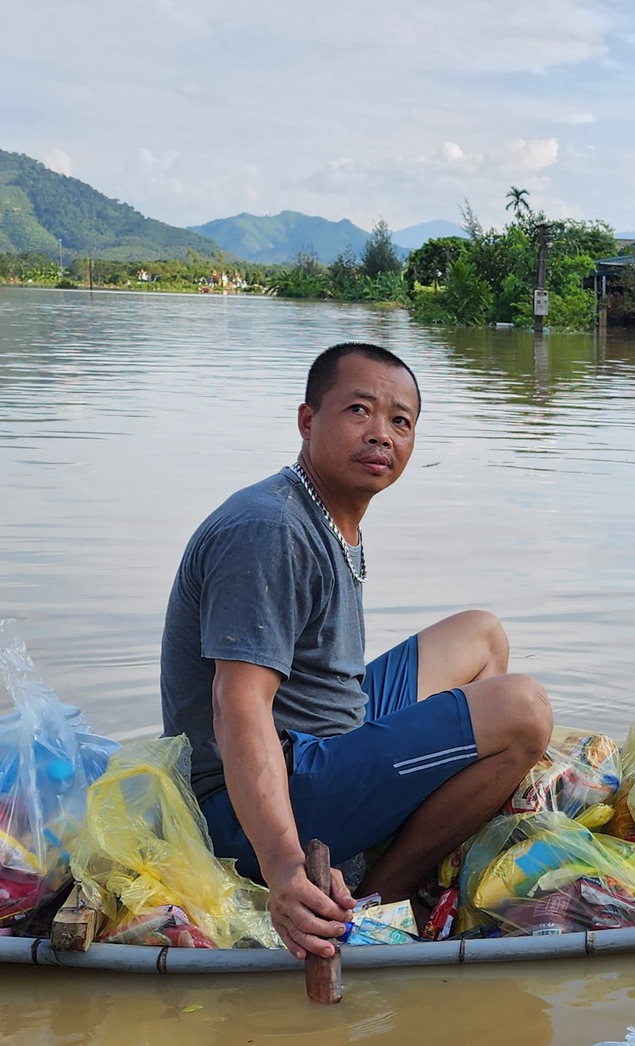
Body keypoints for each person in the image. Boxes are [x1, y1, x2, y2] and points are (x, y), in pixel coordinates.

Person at [161, 341, 552, 960]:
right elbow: (239, 707)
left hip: (326, 738)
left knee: (481, 635)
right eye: (359, 411)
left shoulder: (326, 514)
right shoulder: (269, 529)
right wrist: (287, 869)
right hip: (243, 806)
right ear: (308, 421)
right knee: (522, 709)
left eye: (400, 421)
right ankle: (381, 897)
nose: (381, 434)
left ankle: (429, 835)